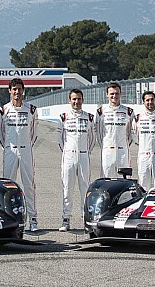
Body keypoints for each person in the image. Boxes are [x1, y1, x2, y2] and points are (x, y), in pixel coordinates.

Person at [0, 78, 39, 232]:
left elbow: (34, 133)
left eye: (19, 89)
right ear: (10, 91)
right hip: (10, 150)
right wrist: (8, 146)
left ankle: (33, 219)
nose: (17, 92)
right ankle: (8, 218)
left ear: (23, 90)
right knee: (7, 185)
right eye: (14, 89)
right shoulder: (3, 110)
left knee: (29, 185)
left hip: (26, 150)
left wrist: (26, 146)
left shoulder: (31, 110)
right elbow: (0, 134)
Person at [57, 89, 95, 232]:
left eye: (79, 99)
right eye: (74, 99)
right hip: (68, 156)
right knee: (67, 188)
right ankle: (66, 219)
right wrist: (67, 151)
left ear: (82, 100)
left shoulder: (89, 118)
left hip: (84, 156)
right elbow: (60, 140)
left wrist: (85, 151)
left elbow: (92, 139)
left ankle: (86, 220)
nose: (76, 102)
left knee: (85, 188)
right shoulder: (63, 117)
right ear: (69, 100)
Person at [95, 82, 134, 179]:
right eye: (112, 93)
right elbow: (98, 133)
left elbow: (131, 133)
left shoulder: (129, 112)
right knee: (106, 179)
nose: (114, 96)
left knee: (124, 181)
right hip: (107, 150)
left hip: (123, 151)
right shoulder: (100, 112)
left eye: (116, 93)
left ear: (120, 94)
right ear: (107, 94)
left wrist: (124, 145)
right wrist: (106, 145)